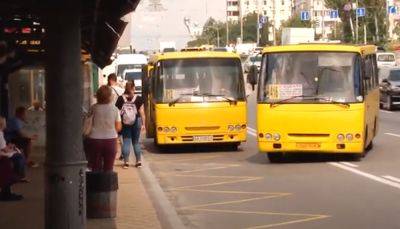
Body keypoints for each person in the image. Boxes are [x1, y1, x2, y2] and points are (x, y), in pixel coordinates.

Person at [85, 86, 122, 172]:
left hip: (94, 140)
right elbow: (118, 127)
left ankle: (96, 184)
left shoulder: (93, 108)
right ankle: (107, 184)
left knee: (95, 167)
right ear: (110, 96)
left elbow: (87, 122)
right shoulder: (115, 109)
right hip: (110, 140)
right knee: (108, 169)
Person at [116, 81, 146, 168]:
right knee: (136, 142)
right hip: (136, 122)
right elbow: (142, 112)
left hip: (124, 123)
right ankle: (138, 161)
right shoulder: (138, 98)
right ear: (133, 88)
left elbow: (117, 112)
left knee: (126, 142)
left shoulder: (121, 99)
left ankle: (126, 162)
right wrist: (144, 124)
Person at [0, 117, 25, 201]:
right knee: (19, 157)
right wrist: (11, 148)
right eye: (5, 123)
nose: (6, 125)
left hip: (2, 154)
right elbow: (4, 149)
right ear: (2, 125)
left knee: (16, 157)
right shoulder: (0, 134)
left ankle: (6, 192)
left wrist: (9, 147)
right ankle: (18, 176)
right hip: (2, 156)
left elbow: (2, 147)